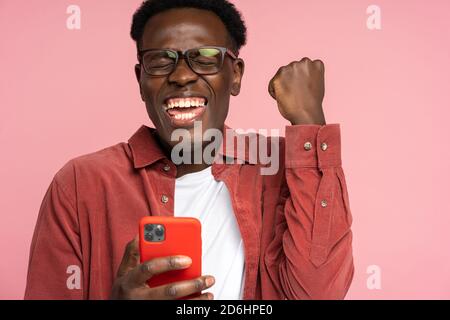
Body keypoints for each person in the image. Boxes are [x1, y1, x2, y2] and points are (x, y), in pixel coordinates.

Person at [24, 0, 354, 300]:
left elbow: (317, 292)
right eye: (159, 60)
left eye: (206, 58)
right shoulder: (80, 185)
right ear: (140, 79)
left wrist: (309, 121)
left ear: (235, 76)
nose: (181, 75)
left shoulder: (284, 167)